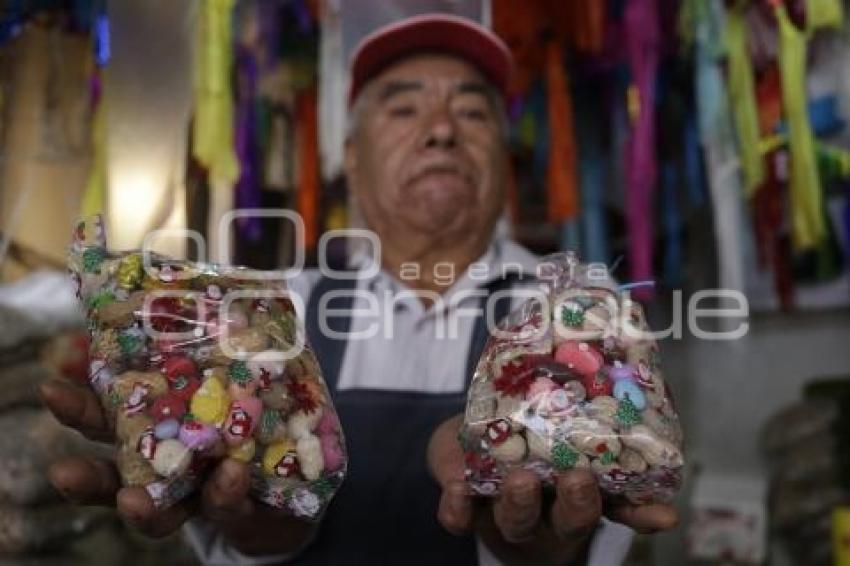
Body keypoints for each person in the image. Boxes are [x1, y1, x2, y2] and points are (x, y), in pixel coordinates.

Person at [40, 13, 678, 565]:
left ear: (504, 158)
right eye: (404, 108)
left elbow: (601, 523)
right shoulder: (271, 311)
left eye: (473, 110)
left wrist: (537, 546)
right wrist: (260, 524)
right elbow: (242, 539)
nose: (441, 130)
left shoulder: (575, 315)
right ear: (350, 154)